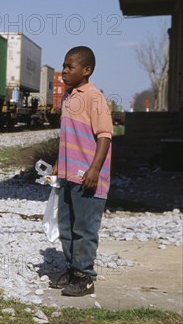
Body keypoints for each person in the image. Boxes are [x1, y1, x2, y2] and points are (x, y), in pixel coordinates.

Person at [50, 46, 113, 297]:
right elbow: (68, 136)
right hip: (68, 175)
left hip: (88, 177)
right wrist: (57, 163)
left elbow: (105, 136)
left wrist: (94, 169)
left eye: (69, 66)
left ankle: (85, 277)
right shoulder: (68, 97)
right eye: (63, 65)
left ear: (86, 70)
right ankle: (73, 270)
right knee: (66, 226)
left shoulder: (94, 97)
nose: (64, 71)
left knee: (84, 228)